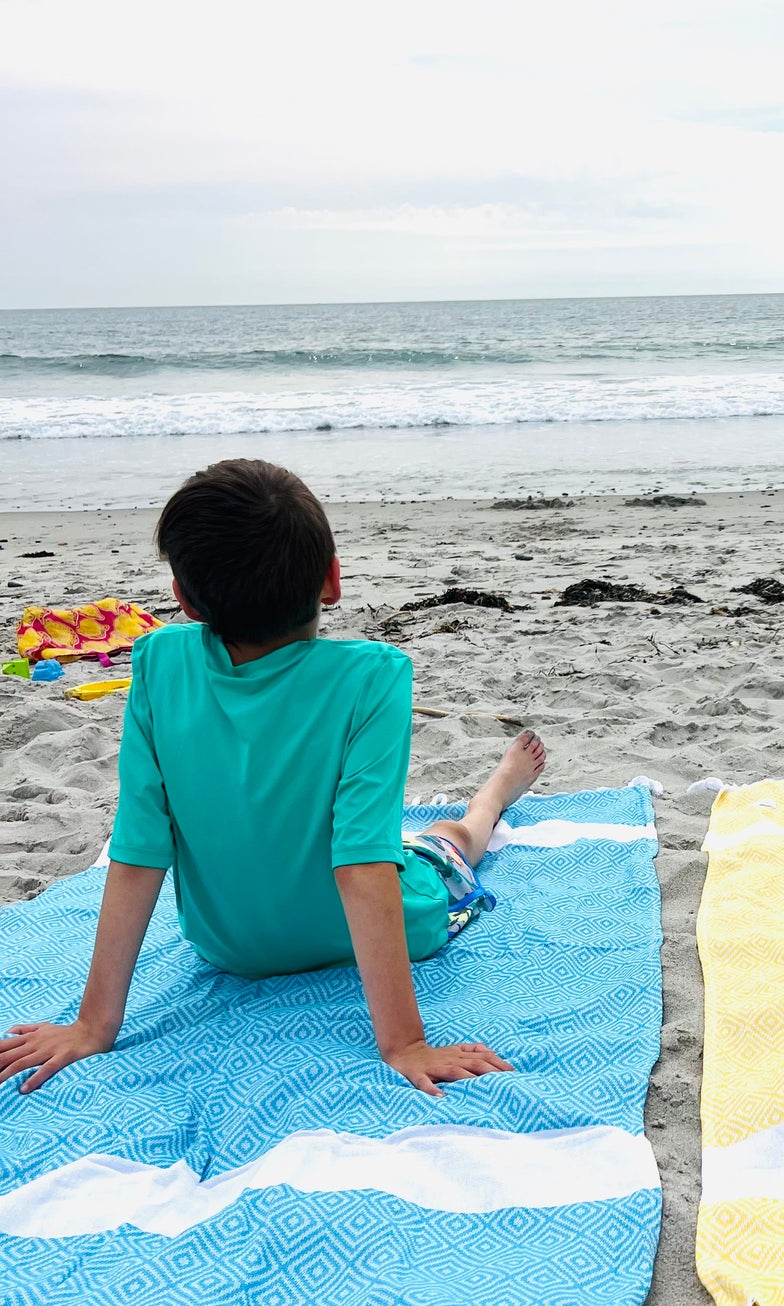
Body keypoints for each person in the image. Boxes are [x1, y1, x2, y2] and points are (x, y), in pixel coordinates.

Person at [0, 458, 544, 1096]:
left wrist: (94, 1024)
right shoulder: (375, 677)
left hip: (226, 946)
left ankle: (489, 799)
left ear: (182, 596)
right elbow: (361, 861)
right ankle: (493, 798)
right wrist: (404, 1043)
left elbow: (140, 848)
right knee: (443, 845)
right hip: (392, 920)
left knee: (402, 843)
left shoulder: (157, 662)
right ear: (332, 581)